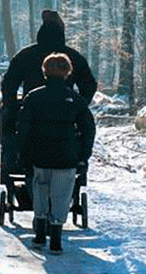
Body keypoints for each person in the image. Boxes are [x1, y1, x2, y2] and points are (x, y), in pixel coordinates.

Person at [14, 53, 95, 255]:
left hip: (39, 154)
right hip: (66, 156)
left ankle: (40, 234)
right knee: (62, 194)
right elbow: (88, 128)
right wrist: (84, 155)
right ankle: (56, 239)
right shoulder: (76, 100)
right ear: (68, 73)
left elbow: (23, 128)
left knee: (40, 189)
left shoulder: (34, 97)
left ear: (44, 71)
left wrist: (21, 153)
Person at [1, 9, 98, 106]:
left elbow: (8, 84)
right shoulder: (74, 57)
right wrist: (78, 108)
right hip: (65, 112)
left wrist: (14, 106)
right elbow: (89, 85)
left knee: (3, 110)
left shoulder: (25, 55)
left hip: (32, 111)